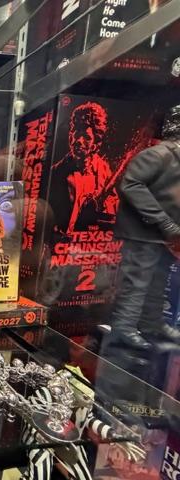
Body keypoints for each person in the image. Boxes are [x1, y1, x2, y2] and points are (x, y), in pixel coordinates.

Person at [107, 104, 180, 350]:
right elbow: (130, 185)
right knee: (136, 283)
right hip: (143, 234)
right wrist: (164, 221)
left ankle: (152, 324)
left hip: (164, 236)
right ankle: (123, 327)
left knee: (158, 281)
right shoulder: (157, 155)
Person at [50, 102, 117, 234]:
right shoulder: (56, 173)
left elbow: (113, 210)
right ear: (70, 136)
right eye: (76, 133)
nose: (79, 141)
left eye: (86, 137)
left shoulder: (104, 169)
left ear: (95, 144)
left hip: (93, 239)